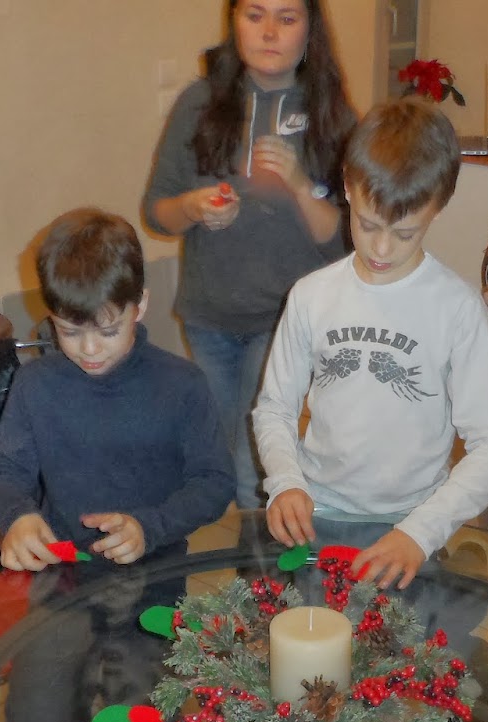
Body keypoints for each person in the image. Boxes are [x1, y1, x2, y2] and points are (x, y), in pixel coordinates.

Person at [0, 208, 232, 722]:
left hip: (154, 582)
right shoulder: (36, 386)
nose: (89, 349)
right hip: (65, 582)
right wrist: (16, 517)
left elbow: (215, 483)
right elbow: (5, 470)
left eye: (107, 330)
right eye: (69, 331)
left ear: (140, 305)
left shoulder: (181, 386)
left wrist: (151, 525)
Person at [251, 97, 488, 593]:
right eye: (368, 224)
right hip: (318, 513)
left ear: (438, 207)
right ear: (348, 187)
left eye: (404, 233)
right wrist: (285, 481)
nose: (380, 248)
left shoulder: (456, 310)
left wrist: (420, 533)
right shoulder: (311, 296)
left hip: (410, 523)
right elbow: (274, 408)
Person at [143, 0, 356, 508]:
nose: (269, 32)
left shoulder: (332, 113)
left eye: (287, 18)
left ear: (310, 28)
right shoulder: (198, 102)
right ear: (234, 21)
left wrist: (299, 184)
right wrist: (194, 208)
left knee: (255, 465)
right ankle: (238, 556)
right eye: (254, 15)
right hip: (209, 317)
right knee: (216, 456)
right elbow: (157, 211)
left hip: (286, 319)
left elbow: (346, 239)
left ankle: (260, 558)